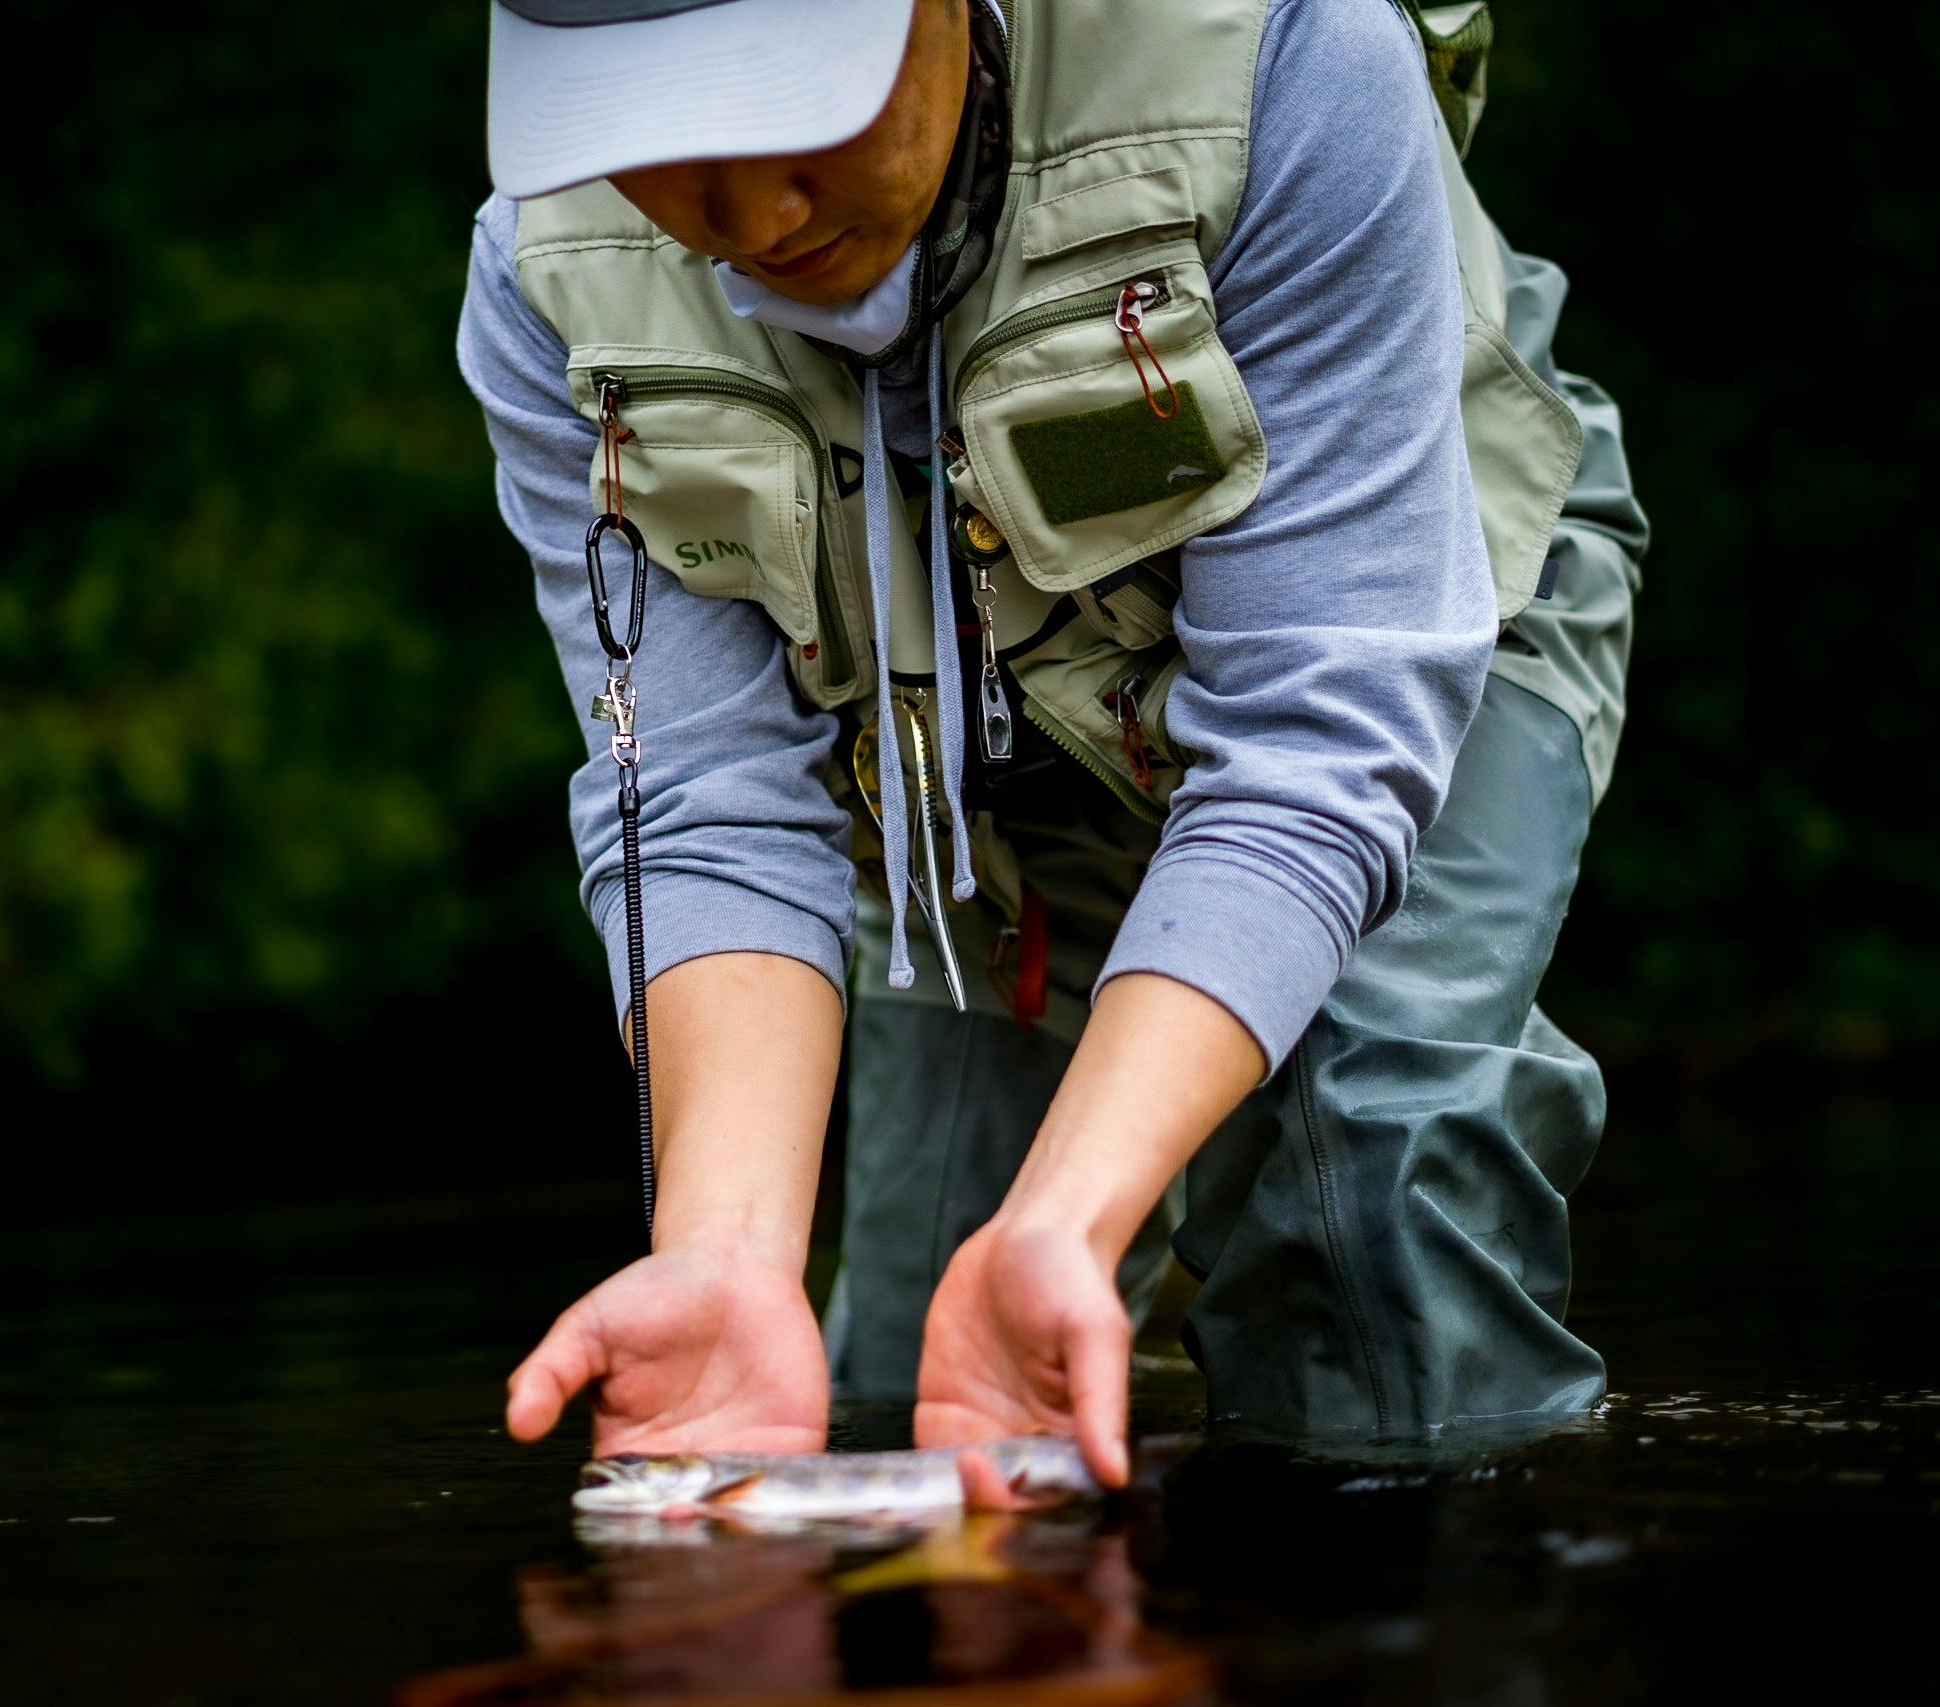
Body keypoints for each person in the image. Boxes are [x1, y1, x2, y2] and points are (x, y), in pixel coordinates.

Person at [456, 0, 1645, 1485]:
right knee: (897, 1382)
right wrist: (722, 1250)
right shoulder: (544, 279)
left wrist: (1070, 1214)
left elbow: (1312, 730)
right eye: (660, 133)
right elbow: (705, 800)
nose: (750, 215)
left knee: (1365, 1206)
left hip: (1408, 614)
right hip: (961, 755)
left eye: (787, 99)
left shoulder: (1288, 56)